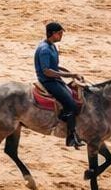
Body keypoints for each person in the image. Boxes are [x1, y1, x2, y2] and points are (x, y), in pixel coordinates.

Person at [36, 21, 85, 149]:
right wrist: (70, 76)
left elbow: (55, 67)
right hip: (48, 81)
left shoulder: (52, 46)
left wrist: (71, 73)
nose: (61, 35)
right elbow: (47, 71)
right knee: (71, 104)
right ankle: (70, 138)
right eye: (59, 33)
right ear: (52, 34)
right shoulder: (45, 49)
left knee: (74, 96)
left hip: (55, 80)